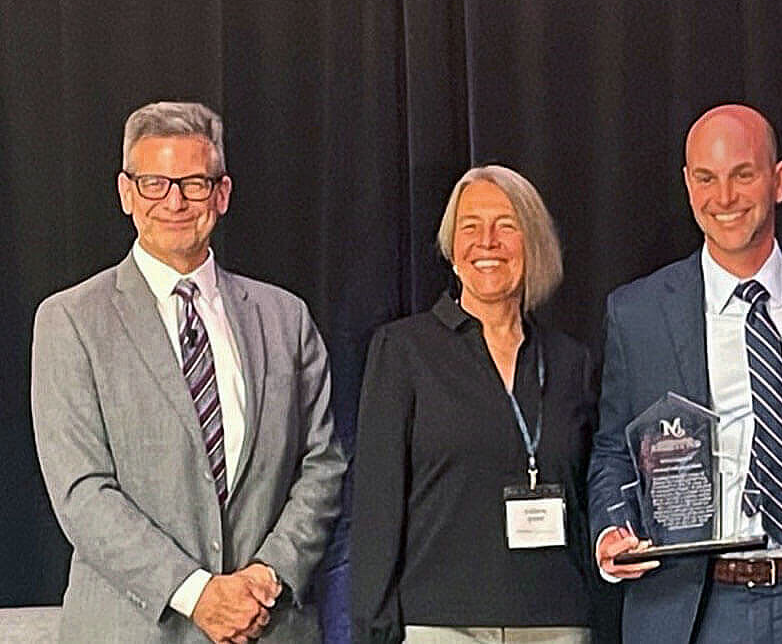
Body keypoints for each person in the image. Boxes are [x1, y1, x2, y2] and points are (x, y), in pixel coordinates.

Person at [31, 101, 345, 642]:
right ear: (126, 193)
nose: (174, 201)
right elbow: (82, 491)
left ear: (221, 195)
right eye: (154, 183)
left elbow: (323, 465)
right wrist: (197, 594)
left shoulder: (285, 318)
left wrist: (265, 577)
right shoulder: (71, 321)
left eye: (194, 184)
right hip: (131, 630)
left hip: (267, 624)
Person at [587, 104, 782, 643]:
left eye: (742, 175)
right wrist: (612, 528)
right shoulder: (639, 313)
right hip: (700, 608)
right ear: (688, 185)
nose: (724, 197)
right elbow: (614, 448)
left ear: (779, 180)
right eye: (706, 178)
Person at [350, 165, 598, 642]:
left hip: (558, 621)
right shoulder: (403, 350)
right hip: (440, 624)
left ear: (533, 241)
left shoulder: (571, 361)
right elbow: (377, 509)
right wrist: (373, 630)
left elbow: (590, 501)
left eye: (506, 225)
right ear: (451, 246)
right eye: (470, 227)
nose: (487, 242)